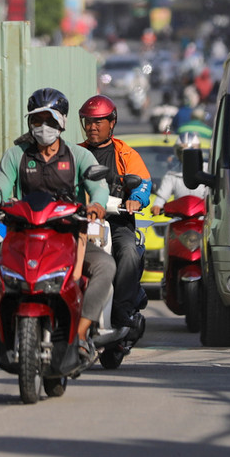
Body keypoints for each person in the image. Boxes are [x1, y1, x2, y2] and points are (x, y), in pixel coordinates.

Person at [0, 88, 110, 361]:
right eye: (36, 121)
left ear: (61, 122)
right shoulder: (16, 154)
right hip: (24, 233)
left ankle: (82, 333)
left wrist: (97, 205)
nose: (42, 127)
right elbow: (0, 188)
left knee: (106, 267)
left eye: (49, 120)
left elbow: (99, 187)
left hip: (69, 235)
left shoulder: (77, 155)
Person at [77, 94, 152, 326]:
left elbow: (143, 183)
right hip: (81, 220)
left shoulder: (126, 154)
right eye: (88, 122)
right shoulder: (75, 153)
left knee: (129, 251)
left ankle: (121, 309)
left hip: (117, 222)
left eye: (98, 122)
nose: (92, 127)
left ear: (112, 123)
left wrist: (136, 199)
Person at [155, 131, 209, 207]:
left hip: (204, 216)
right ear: (177, 152)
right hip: (179, 215)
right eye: (181, 152)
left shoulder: (208, 170)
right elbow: (162, 196)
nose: (186, 157)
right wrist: (157, 205)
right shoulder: (172, 174)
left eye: (190, 153)